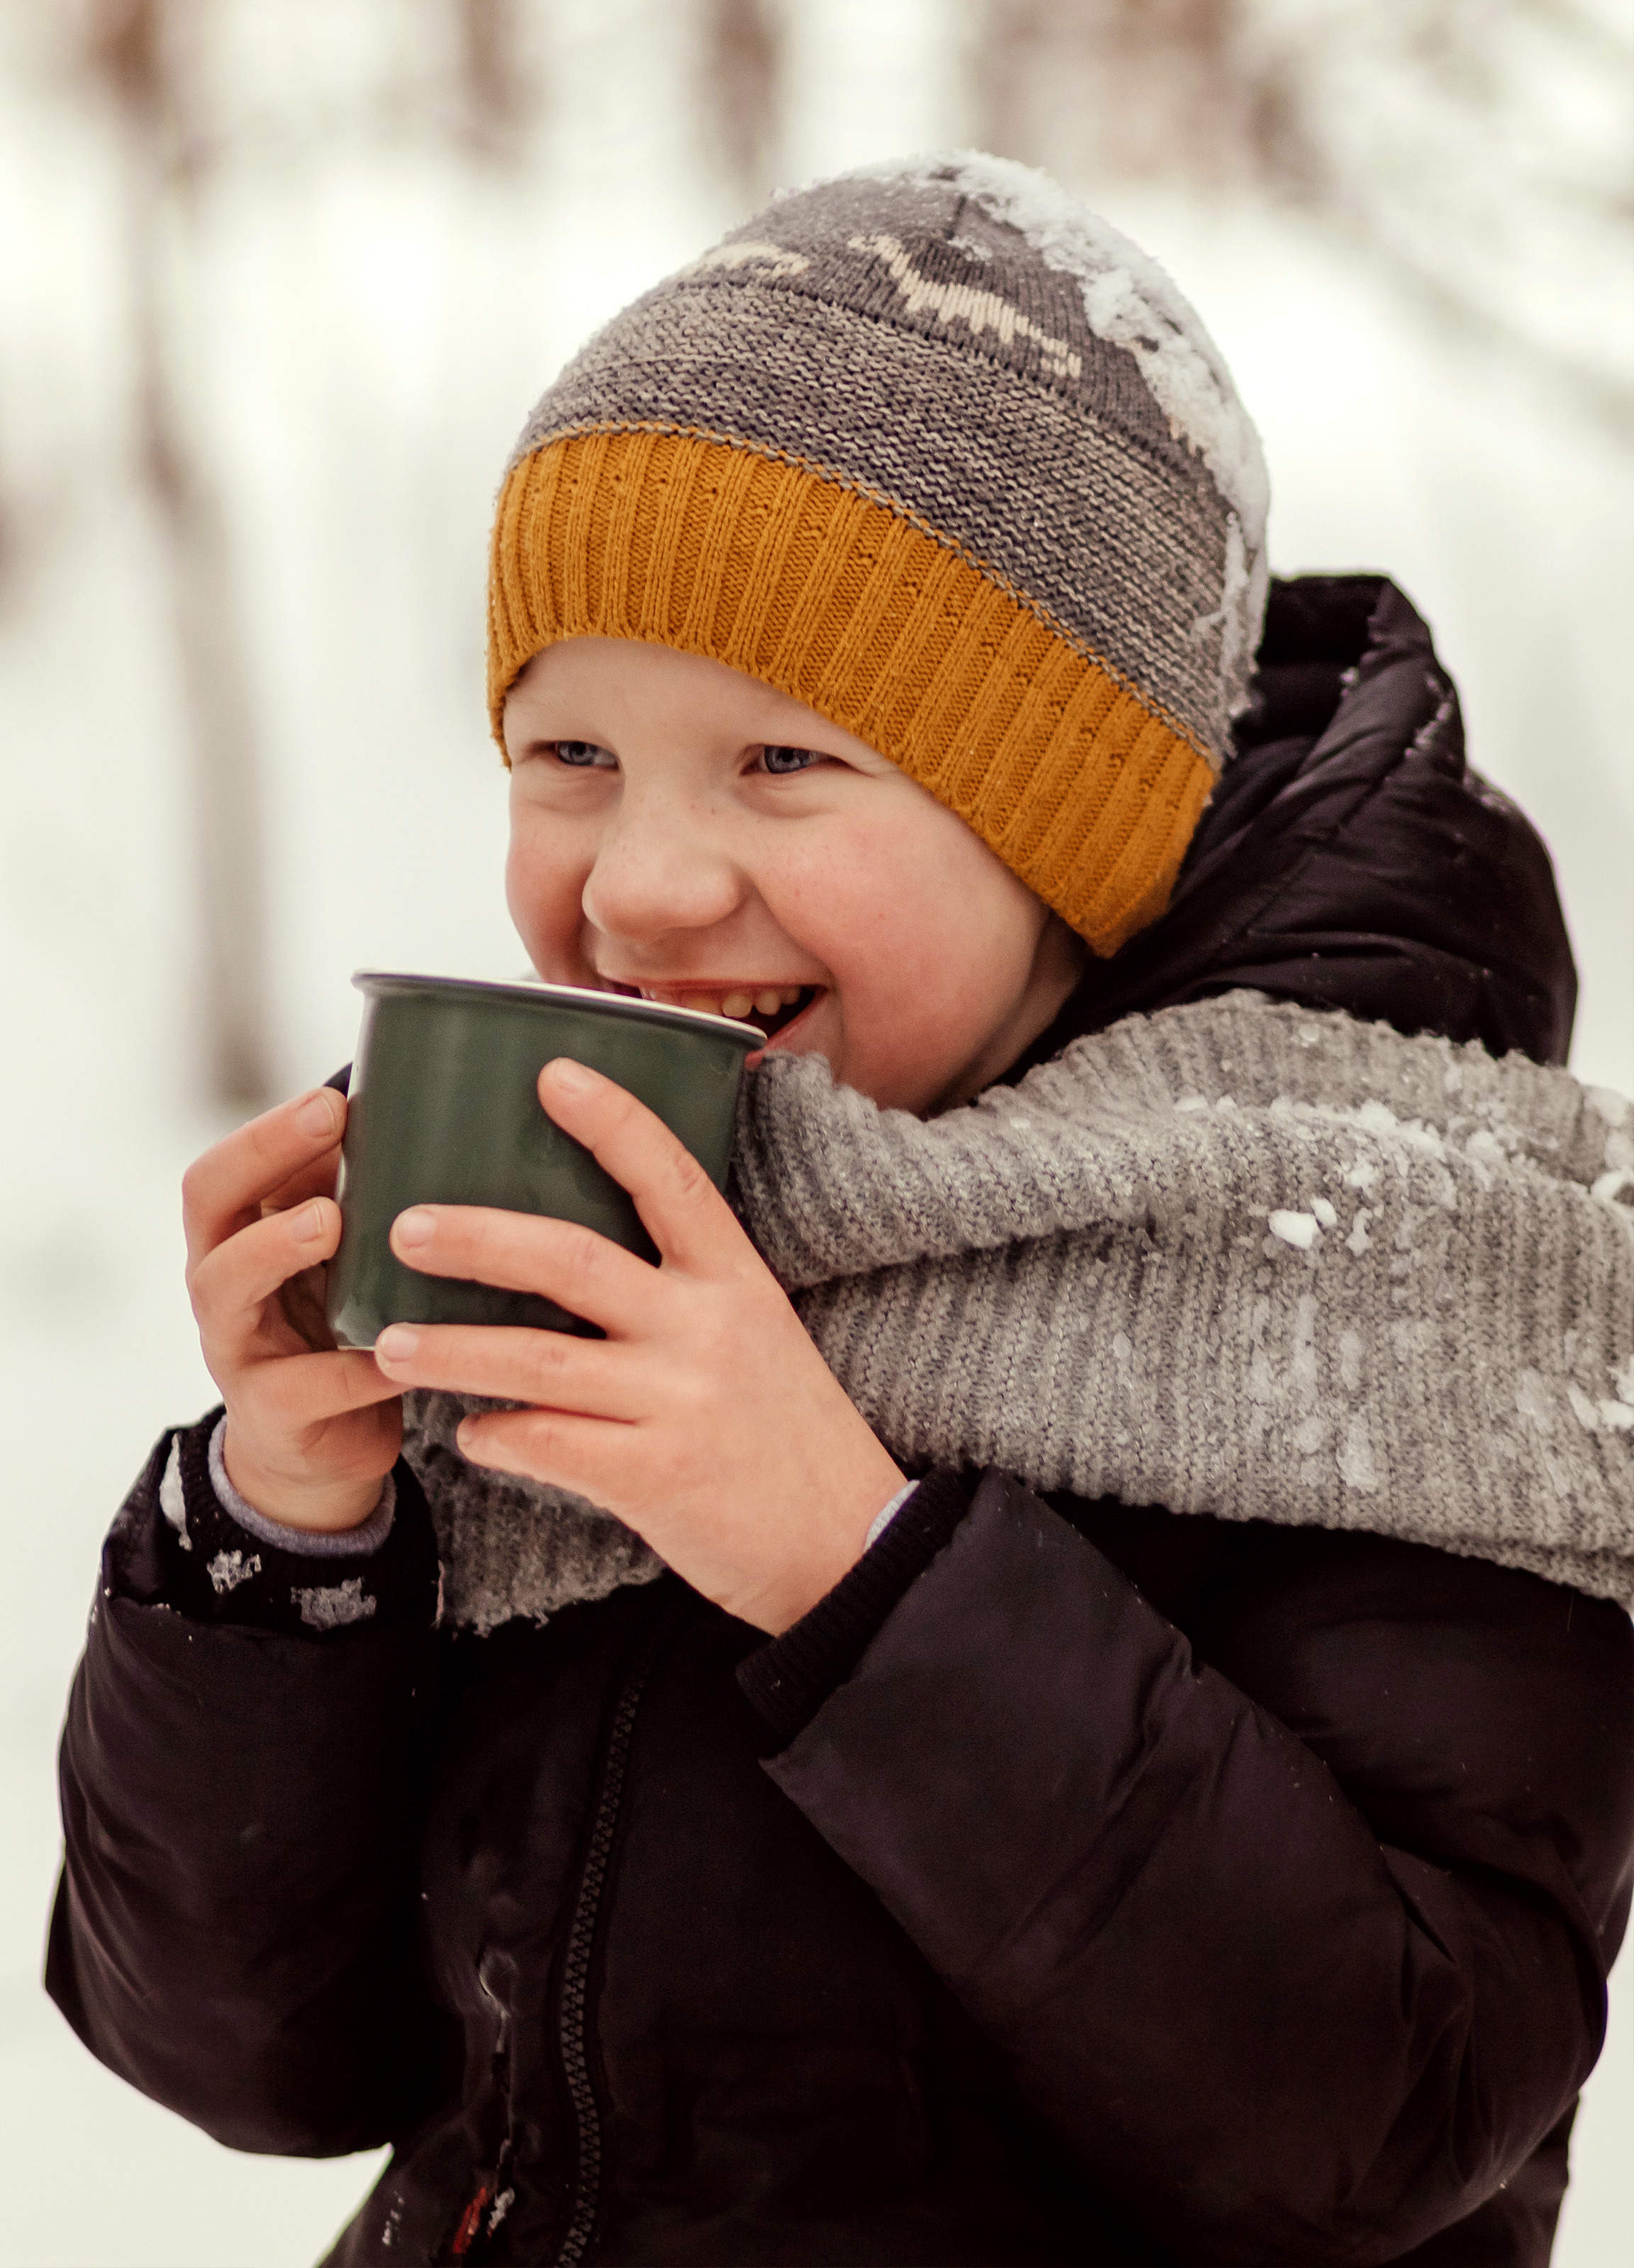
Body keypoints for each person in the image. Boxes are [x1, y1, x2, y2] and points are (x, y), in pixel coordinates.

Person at [48, 155, 1634, 2267]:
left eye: (784, 764)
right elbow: (249, 2062)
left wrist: (851, 1564)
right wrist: (288, 1536)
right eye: (571, 752)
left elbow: (1376, 2114)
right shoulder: (626, 1215)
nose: (639, 888)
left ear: (1069, 811)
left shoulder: (1404, 1278)